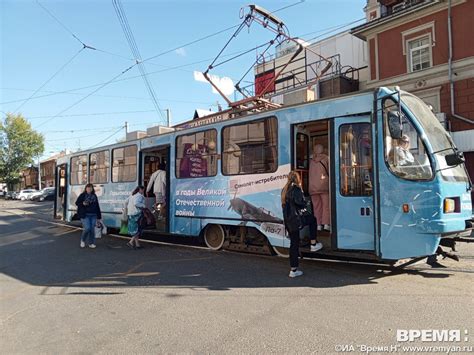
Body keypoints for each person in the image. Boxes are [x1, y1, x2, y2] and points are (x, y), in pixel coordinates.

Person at [282, 171, 323, 278]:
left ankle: (293, 270)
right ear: (297, 179)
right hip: (296, 219)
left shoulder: (285, 190)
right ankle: (313, 244)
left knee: (294, 245)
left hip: (288, 221)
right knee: (313, 220)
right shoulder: (296, 189)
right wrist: (304, 198)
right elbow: (301, 203)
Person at [309, 144, 330, 231]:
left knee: (316, 207)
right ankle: (325, 224)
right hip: (324, 186)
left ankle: (318, 225)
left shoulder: (311, 160)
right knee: (326, 206)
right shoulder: (326, 158)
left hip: (312, 187)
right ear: (322, 150)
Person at [75, 183, 102, 249]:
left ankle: (91, 243)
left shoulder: (94, 196)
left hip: (93, 215)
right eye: (88, 188)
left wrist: (99, 217)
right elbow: (77, 203)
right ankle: (82, 240)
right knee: (87, 228)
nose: (89, 189)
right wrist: (83, 203)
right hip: (85, 215)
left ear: (92, 189)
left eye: (90, 188)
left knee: (92, 230)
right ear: (86, 189)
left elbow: (97, 206)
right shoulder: (82, 195)